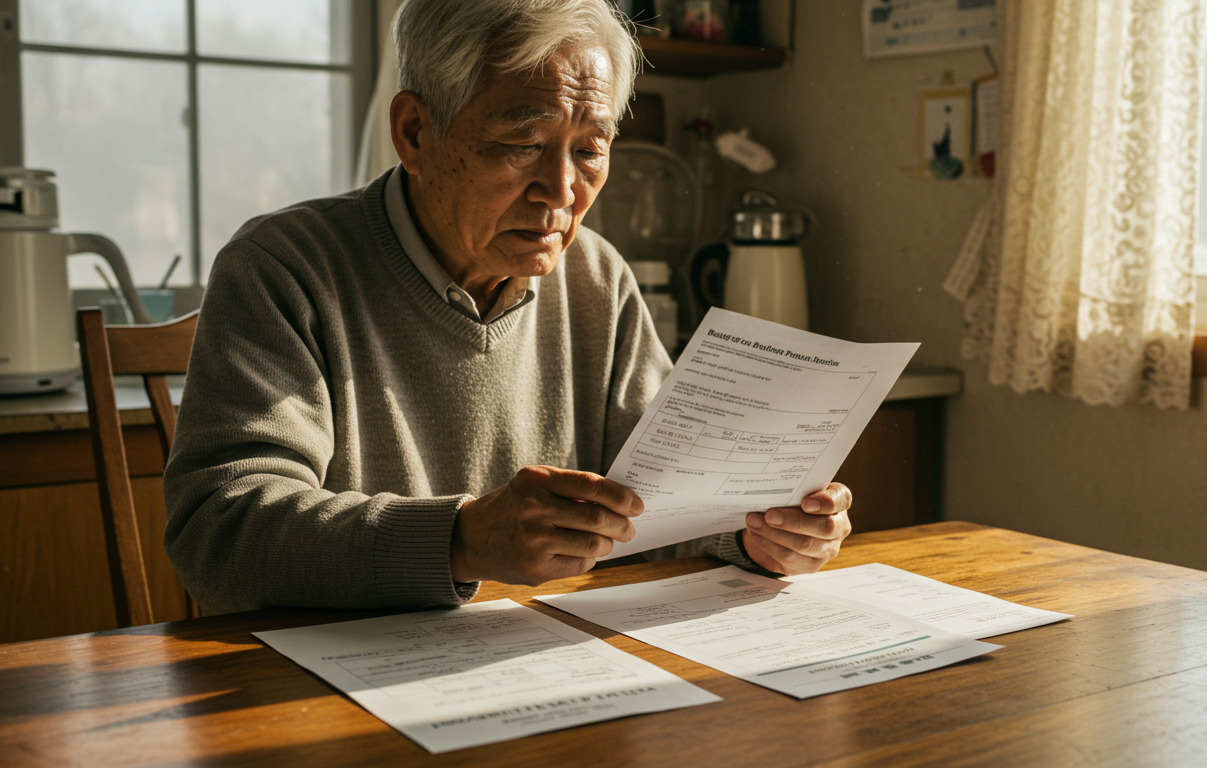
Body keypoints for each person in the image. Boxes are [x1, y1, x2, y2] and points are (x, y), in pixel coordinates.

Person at [163, 0, 852, 615]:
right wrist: (461, 539)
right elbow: (220, 534)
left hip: (549, 668)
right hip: (323, 693)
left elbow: (663, 498)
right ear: (414, 132)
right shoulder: (285, 267)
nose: (560, 190)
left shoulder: (596, 277)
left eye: (590, 150)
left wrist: (755, 532)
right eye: (523, 145)